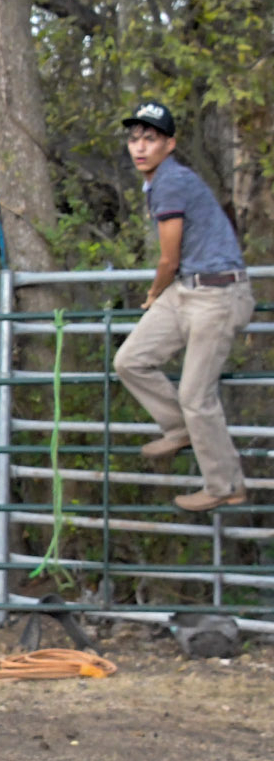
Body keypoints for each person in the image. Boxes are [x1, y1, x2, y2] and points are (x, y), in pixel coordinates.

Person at [112, 100, 255, 513]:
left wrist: (154, 293)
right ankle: (180, 429)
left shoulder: (171, 182)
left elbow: (168, 258)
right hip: (188, 287)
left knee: (196, 396)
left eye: (150, 138)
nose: (140, 147)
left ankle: (226, 485)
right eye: (134, 139)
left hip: (218, 294)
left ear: (169, 144)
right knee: (130, 360)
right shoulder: (161, 182)